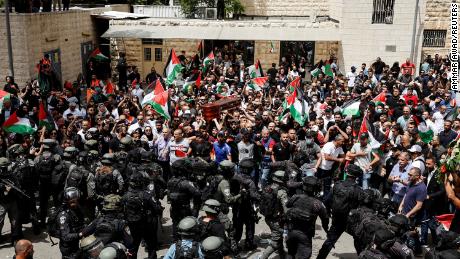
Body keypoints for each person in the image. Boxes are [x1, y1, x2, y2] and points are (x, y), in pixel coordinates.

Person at [317, 164, 363, 259]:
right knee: (359, 239)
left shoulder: (337, 185)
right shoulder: (358, 190)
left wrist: (330, 212)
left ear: (346, 172)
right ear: (357, 176)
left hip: (337, 219)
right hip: (351, 221)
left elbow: (326, 201)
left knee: (330, 241)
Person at [286, 176, 329, 258]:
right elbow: (325, 218)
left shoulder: (295, 197)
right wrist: (327, 230)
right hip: (305, 236)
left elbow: (287, 205)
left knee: (291, 254)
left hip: (291, 232)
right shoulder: (318, 204)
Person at [258, 170, 288, 259]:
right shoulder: (282, 192)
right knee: (275, 242)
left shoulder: (268, 187)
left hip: (268, 218)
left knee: (278, 238)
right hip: (276, 220)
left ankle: (282, 255)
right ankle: (263, 257)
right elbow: (286, 209)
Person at [57, 187, 85, 259]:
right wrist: (80, 234)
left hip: (75, 243)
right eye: (72, 201)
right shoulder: (63, 215)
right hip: (67, 247)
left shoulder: (75, 209)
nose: (75, 203)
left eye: (75, 200)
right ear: (67, 201)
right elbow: (65, 236)